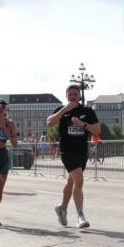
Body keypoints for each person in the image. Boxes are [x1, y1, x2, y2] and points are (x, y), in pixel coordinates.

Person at [47, 84, 100, 228]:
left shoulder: (87, 111)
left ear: (79, 96)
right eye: (69, 95)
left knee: (72, 182)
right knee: (79, 181)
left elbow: (97, 130)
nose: (72, 97)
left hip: (82, 151)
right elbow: (50, 123)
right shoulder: (61, 111)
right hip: (67, 151)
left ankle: (62, 208)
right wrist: (64, 109)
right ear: (66, 97)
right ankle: (80, 216)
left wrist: (82, 124)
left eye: (75, 94)